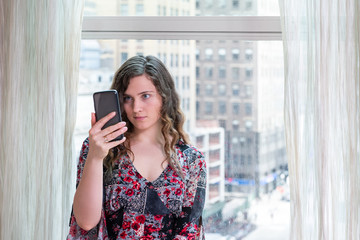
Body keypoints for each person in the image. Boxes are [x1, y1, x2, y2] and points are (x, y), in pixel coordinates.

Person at [67, 55, 207, 240]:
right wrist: (95, 156)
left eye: (145, 96)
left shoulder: (191, 160)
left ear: (164, 98)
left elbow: (189, 232)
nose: (136, 108)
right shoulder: (98, 147)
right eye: (127, 98)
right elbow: (85, 223)